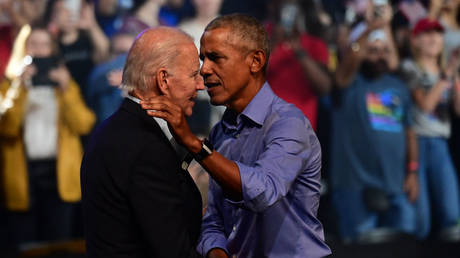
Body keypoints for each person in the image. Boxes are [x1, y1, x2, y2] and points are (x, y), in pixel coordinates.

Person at [140, 14, 331, 257]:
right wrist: (216, 248)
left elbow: (263, 192)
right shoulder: (221, 132)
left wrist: (194, 144)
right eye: (203, 59)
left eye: (216, 58)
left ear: (255, 61)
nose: (205, 70)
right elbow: (214, 217)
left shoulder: (289, 124)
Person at [81, 27, 204, 258]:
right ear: (163, 80)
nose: (201, 85)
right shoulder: (144, 146)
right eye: (193, 75)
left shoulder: (116, 130)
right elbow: (172, 249)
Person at [329, 3, 419, 242]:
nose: (378, 55)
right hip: (354, 186)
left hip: (395, 186)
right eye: (372, 50)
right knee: (362, 250)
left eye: (382, 50)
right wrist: (371, 27)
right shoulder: (347, 84)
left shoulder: (398, 86)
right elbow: (346, 65)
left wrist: (412, 171)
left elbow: (409, 131)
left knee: (406, 248)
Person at [0, 25, 95, 246]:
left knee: (59, 243)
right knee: (25, 244)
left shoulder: (66, 86)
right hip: (24, 175)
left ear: (52, 49)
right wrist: (20, 87)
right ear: (23, 49)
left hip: (59, 173)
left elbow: (84, 124)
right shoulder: (10, 87)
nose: (39, 50)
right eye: (33, 44)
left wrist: (66, 88)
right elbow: (7, 128)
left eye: (45, 45)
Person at [400, 17, 460, 239]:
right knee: (420, 220)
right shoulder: (409, 67)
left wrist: (454, 78)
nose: (433, 38)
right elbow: (425, 105)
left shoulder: (448, 70)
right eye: (426, 33)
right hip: (417, 143)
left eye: (437, 33)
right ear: (415, 40)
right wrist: (446, 76)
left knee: (452, 214)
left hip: (441, 144)